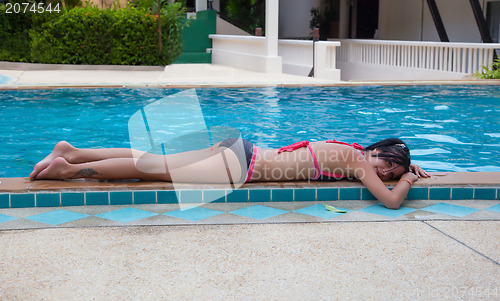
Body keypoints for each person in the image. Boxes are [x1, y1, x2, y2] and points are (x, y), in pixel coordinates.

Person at [30, 137, 430, 209]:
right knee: (154, 170)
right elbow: (392, 202)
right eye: (388, 164)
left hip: (244, 152)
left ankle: (74, 151)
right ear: (378, 152)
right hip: (243, 165)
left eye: (391, 170)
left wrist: (404, 169)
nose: (386, 173)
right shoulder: (361, 162)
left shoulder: (351, 150)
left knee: (157, 160)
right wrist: (408, 180)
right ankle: (69, 171)